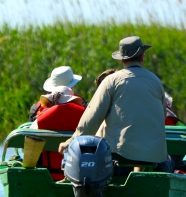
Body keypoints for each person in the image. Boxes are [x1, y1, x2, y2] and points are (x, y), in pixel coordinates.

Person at [58, 36, 174, 173]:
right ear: (142, 57)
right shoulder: (156, 82)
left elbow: (92, 118)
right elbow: (161, 117)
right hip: (154, 155)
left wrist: (70, 142)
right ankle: (138, 175)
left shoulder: (111, 81)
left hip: (120, 154)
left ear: (121, 60)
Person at [30, 86, 86, 180]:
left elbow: (29, 137)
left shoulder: (42, 118)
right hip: (79, 174)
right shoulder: (84, 115)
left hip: (49, 174)